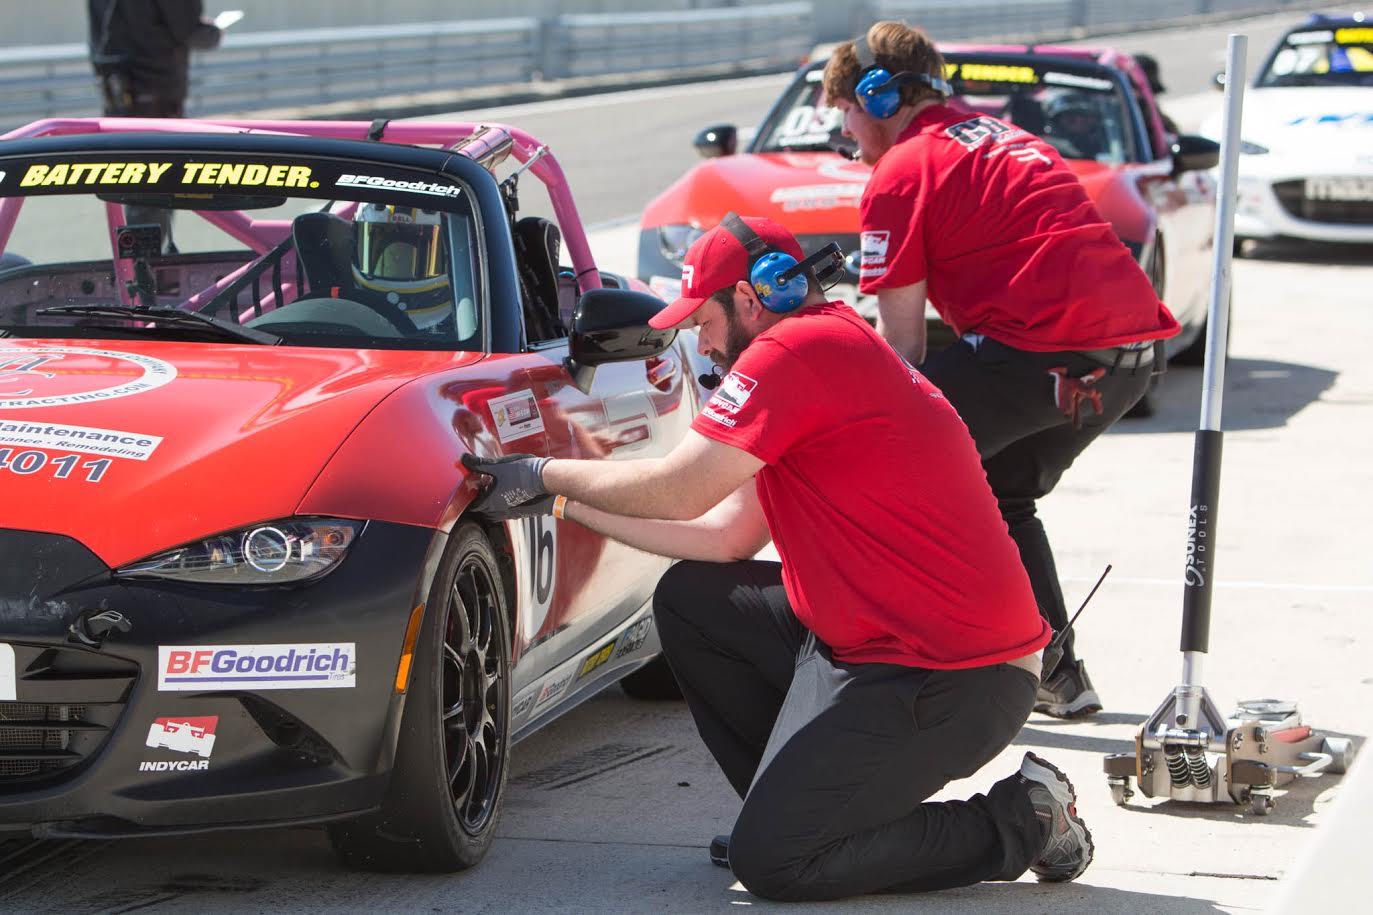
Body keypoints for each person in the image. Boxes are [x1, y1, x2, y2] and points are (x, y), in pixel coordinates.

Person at [463, 215, 1093, 901]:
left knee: (775, 864)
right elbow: (723, 537)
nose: (698, 340)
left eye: (702, 320)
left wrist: (544, 472)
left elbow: (678, 490)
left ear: (753, 296)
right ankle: (793, 807)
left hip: (953, 676)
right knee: (693, 601)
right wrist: (559, 505)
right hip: (880, 647)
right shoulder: (825, 352)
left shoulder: (798, 351)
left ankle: (1023, 816)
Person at [822, 22, 1181, 718]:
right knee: (1001, 491)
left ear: (877, 95)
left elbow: (901, 355)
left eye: (845, 109)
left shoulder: (899, 172)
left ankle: (893, 675)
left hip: (1044, 356)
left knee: (878, 471)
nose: (844, 129)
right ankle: (1056, 674)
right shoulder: (999, 134)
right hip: (1128, 362)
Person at [87, 0, 223, 250]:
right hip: (156, 101)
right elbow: (190, 31)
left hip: (117, 101)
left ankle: (140, 270)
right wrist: (215, 31)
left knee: (136, 189)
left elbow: (98, 40)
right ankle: (146, 272)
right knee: (155, 191)